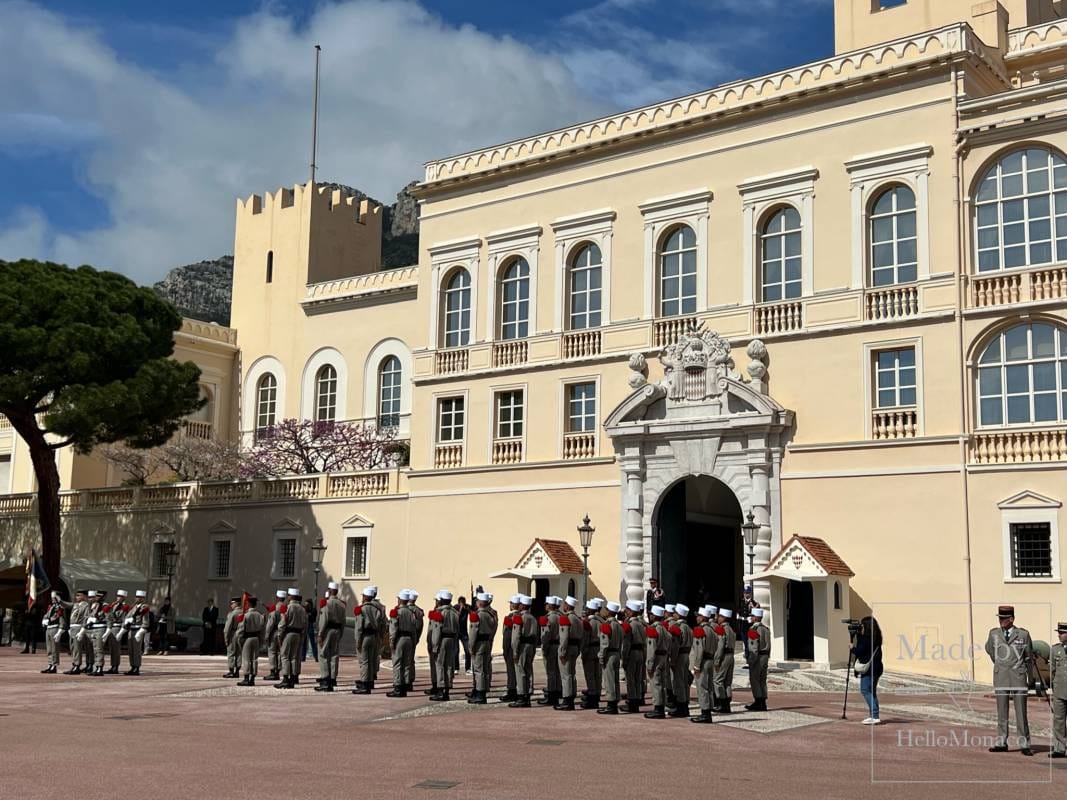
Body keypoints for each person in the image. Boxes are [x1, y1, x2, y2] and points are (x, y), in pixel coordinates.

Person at [985, 605, 1034, 756]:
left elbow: (1028, 656)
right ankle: (1001, 742)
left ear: (1011, 619)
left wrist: (1030, 678)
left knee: (1021, 712)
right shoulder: (993, 633)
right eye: (999, 618)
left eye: (1004, 618)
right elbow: (990, 651)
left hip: (1018, 676)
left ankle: (1024, 744)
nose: (1001, 621)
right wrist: (1000, 664)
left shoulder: (1023, 635)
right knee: (1002, 711)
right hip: (1001, 676)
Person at [352, 586, 385, 694]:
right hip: (374, 636)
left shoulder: (362, 609)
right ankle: (370, 682)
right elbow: (382, 624)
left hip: (365, 636)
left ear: (366, 597)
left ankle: (365, 684)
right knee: (371, 660)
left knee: (365, 661)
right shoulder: (377, 609)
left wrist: (358, 640)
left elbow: (359, 627)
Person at [690, 605, 720, 724]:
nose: (697, 618)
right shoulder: (712, 631)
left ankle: (705, 712)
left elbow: (699, 650)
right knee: (709, 687)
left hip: (703, 661)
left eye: (699, 616)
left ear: (703, 618)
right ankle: (708, 710)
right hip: (710, 660)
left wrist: (696, 665)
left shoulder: (700, 630)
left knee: (702, 688)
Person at [315, 582, 346, 692]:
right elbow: (343, 621)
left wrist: (320, 634)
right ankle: (333, 678)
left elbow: (324, 619)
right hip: (337, 630)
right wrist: (341, 632)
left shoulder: (327, 603)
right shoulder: (342, 605)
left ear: (330, 590)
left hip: (327, 630)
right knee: (334, 655)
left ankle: (325, 679)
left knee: (323, 654)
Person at [468, 592, 497, 705]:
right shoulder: (491, 614)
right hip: (487, 642)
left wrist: (471, 646)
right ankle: (482, 691)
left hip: (479, 643)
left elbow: (473, 632)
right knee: (484, 668)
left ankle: (480, 694)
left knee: (478, 669)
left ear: (480, 603)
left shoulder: (477, 615)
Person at [386, 589, 417, 698]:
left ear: (400, 599)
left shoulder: (397, 612)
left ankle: (398, 687)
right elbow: (414, 628)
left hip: (399, 638)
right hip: (409, 638)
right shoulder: (411, 612)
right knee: (407, 663)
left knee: (398, 663)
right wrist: (414, 641)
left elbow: (393, 628)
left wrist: (391, 641)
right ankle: (405, 685)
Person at [510, 594, 539, 708]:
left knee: (520, 671)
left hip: (522, 646)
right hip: (531, 646)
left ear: (522, 606)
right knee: (527, 670)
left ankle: (522, 696)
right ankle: (527, 695)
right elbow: (537, 635)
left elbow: (516, 636)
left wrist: (515, 651)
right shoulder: (533, 618)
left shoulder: (519, 617)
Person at [275, 588, 307, 690]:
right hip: (298, 634)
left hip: (288, 633)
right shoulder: (302, 609)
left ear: (291, 596)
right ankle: (293, 678)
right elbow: (305, 624)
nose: (287, 597)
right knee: (294, 657)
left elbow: (283, 623)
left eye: (289, 595)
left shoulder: (288, 607)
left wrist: (280, 635)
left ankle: (285, 679)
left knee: (285, 656)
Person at [554, 596, 582, 711]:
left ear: (567, 605)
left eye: (564, 604)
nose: (563, 606)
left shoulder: (566, 618)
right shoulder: (577, 618)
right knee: (572, 673)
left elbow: (564, 637)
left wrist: (562, 651)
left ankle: (567, 699)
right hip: (575, 648)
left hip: (568, 648)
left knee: (566, 675)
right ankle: (571, 696)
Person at [644, 605, 671, 719]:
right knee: (662, 684)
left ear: (654, 616)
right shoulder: (665, 629)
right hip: (664, 657)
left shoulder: (654, 629)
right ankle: (661, 706)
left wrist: (649, 664)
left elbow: (651, 649)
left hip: (656, 659)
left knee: (656, 684)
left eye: (651, 614)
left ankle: (658, 708)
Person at [597, 601, 624, 715]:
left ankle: (611, 704)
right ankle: (614, 702)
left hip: (609, 654)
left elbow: (604, 643)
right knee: (615, 679)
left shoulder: (607, 625)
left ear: (609, 611)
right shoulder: (618, 625)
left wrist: (601, 656)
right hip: (616, 653)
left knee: (609, 680)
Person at [745, 607, 772, 712]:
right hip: (765, 656)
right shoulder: (766, 629)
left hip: (758, 657)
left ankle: (758, 701)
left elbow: (754, 648)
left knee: (755, 679)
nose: (751, 618)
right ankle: (763, 701)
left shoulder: (753, 629)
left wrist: (751, 661)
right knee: (762, 680)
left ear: (756, 618)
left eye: (752, 616)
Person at [621, 600, 646, 713]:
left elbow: (626, 644)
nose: (625, 612)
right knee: (637, 678)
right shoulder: (641, 624)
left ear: (631, 612)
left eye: (627, 609)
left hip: (632, 653)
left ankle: (632, 703)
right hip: (640, 652)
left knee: (630, 679)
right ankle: (636, 700)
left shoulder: (630, 625)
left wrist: (624, 658)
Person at [669, 604, 693, 718]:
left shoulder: (677, 627)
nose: (673, 614)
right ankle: (684, 705)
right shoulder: (688, 627)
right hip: (686, 655)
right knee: (684, 681)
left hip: (679, 656)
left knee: (678, 682)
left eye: (674, 613)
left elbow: (675, 646)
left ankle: (681, 707)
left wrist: (672, 660)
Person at [538, 596, 562, 707]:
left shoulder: (548, 618)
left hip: (551, 646)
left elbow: (545, 636)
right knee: (558, 671)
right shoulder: (561, 616)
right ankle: (558, 691)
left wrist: (544, 648)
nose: (545, 606)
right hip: (560, 645)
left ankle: (552, 694)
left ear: (550, 605)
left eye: (547, 604)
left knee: (551, 671)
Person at [579, 598, 603, 710]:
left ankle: (592, 697)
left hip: (590, 649)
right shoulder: (601, 621)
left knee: (590, 674)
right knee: (597, 674)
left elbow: (585, 639)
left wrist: (583, 651)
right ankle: (597, 693)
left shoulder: (589, 623)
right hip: (599, 648)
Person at [236, 596, 265, 687]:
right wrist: (261, 640)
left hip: (247, 638)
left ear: (248, 604)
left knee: (246, 658)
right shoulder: (260, 615)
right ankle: (252, 678)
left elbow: (241, 630)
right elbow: (262, 630)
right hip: (256, 638)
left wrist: (239, 640)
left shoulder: (246, 615)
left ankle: (246, 678)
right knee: (254, 659)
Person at [713, 607, 736, 714]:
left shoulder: (721, 629)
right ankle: (727, 703)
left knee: (718, 680)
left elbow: (720, 646)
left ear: (724, 618)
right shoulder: (731, 629)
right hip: (731, 655)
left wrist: (717, 661)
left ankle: (722, 703)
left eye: (720, 616)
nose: (718, 618)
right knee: (727, 682)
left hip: (724, 656)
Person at [1050, 621, 1067, 759]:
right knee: (1059, 720)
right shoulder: (1055, 650)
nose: (1059, 635)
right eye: (1059, 633)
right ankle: (1059, 748)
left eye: (1062, 633)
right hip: (1059, 690)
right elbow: (1052, 671)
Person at [123, 590, 151, 675]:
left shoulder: (144, 607)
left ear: (142, 598)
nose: (137, 598)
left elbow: (145, 622)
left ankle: (137, 667)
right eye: (136, 597)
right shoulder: (133, 607)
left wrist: (141, 632)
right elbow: (128, 616)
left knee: (137, 650)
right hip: (131, 630)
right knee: (131, 650)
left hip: (138, 630)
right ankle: (132, 666)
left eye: (139, 597)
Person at [104, 589, 130, 674]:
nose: (118, 598)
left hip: (118, 627)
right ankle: (113, 666)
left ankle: (115, 666)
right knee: (112, 648)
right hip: (111, 627)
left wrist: (122, 631)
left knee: (116, 648)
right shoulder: (114, 605)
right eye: (118, 596)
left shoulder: (125, 606)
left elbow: (124, 619)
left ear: (124, 598)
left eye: (120, 597)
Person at [500, 595, 519, 703]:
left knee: (511, 670)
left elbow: (507, 635)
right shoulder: (521, 616)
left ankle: (512, 690)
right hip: (517, 646)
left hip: (511, 647)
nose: (510, 605)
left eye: (511, 603)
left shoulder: (510, 617)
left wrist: (505, 648)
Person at [41, 592, 66, 674]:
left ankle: (54, 665)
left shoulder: (60, 608)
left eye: (54, 598)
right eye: (52, 598)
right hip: (48, 628)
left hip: (55, 628)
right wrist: (44, 620)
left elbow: (61, 620)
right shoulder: (51, 607)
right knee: (49, 648)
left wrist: (60, 631)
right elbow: (47, 615)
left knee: (54, 648)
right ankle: (50, 664)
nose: (52, 600)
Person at [264, 590, 285, 681]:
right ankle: (278, 671)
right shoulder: (286, 608)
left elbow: (270, 624)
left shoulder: (275, 609)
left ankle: (273, 672)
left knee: (272, 652)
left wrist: (267, 635)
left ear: (277, 598)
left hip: (274, 632)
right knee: (280, 653)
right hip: (283, 632)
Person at [223, 596, 242, 679]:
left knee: (231, 652)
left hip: (233, 633)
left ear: (236, 603)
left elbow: (227, 627)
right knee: (239, 653)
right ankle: (237, 670)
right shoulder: (243, 612)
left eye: (232, 603)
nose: (231, 605)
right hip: (241, 633)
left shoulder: (233, 613)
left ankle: (231, 671)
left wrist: (226, 638)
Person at [454, 595, 471, 674]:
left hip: (464, 632)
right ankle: (456, 668)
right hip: (456, 631)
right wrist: (460, 609)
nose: (462, 604)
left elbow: (472, 612)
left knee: (468, 650)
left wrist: (466, 608)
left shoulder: (467, 607)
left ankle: (468, 668)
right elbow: (456, 616)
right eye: (461, 603)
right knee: (456, 651)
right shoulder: (455, 607)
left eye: (463, 602)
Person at [302, 598, 318, 662]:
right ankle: (303, 657)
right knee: (304, 643)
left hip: (310, 625)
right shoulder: (304, 610)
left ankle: (316, 657)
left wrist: (309, 614)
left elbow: (313, 619)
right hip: (305, 625)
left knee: (312, 642)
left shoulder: (313, 610)